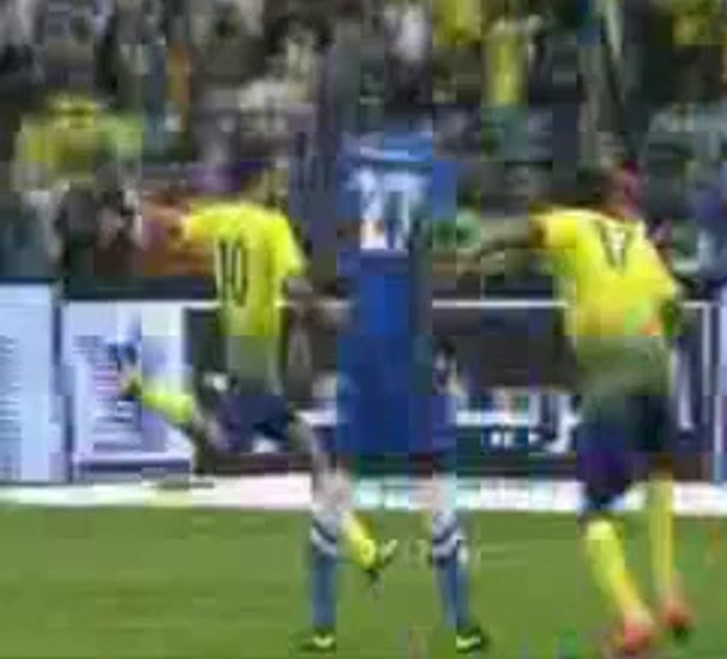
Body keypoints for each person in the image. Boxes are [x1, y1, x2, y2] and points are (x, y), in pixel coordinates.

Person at [115, 154, 398, 651]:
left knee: (310, 453)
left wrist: (140, 209)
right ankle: (144, 391)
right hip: (254, 366)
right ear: (262, 179)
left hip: (248, 361)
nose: (280, 184)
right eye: (276, 177)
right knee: (233, 444)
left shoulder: (219, 219)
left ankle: (368, 553)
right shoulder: (272, 225)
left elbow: (176, 228)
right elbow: (294, 285)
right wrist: (327, 312)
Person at [461, 161, 693, 656]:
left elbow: (528, 231)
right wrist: (660, 339)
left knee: (594, 510)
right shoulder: (640, 242)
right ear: (611, 199)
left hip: (610, 373)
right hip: (655, 365)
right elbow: (676, 304)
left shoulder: (575, 223)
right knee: (659, 472)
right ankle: (669, 592)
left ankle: (634, 618)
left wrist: (478, 249)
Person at [307, 130, 488, 655]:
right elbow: (431, 264)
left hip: (363, 346)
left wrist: (324, 301)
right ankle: (462, 626)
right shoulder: (436, 165)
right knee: (435, 489)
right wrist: (430, 345)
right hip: (409, 349)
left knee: (338, 488)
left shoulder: (351, 156)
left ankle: (322, 629)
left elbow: (330, 249)